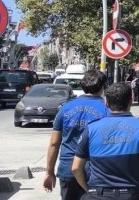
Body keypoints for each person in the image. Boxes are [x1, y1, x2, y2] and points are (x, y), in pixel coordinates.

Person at [72, 82, 139, 200]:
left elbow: (76, 168)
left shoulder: (91, 129)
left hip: (97, 195)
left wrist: (88, 190)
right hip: (131, 195)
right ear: (131, 101)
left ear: (106, 103)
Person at [44, 70, 109, 200]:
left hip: (68, 169)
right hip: (95, 171)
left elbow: (54, 143)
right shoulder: (106, 110)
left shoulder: (65, 108)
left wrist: (49, 172)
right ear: (102, 87)